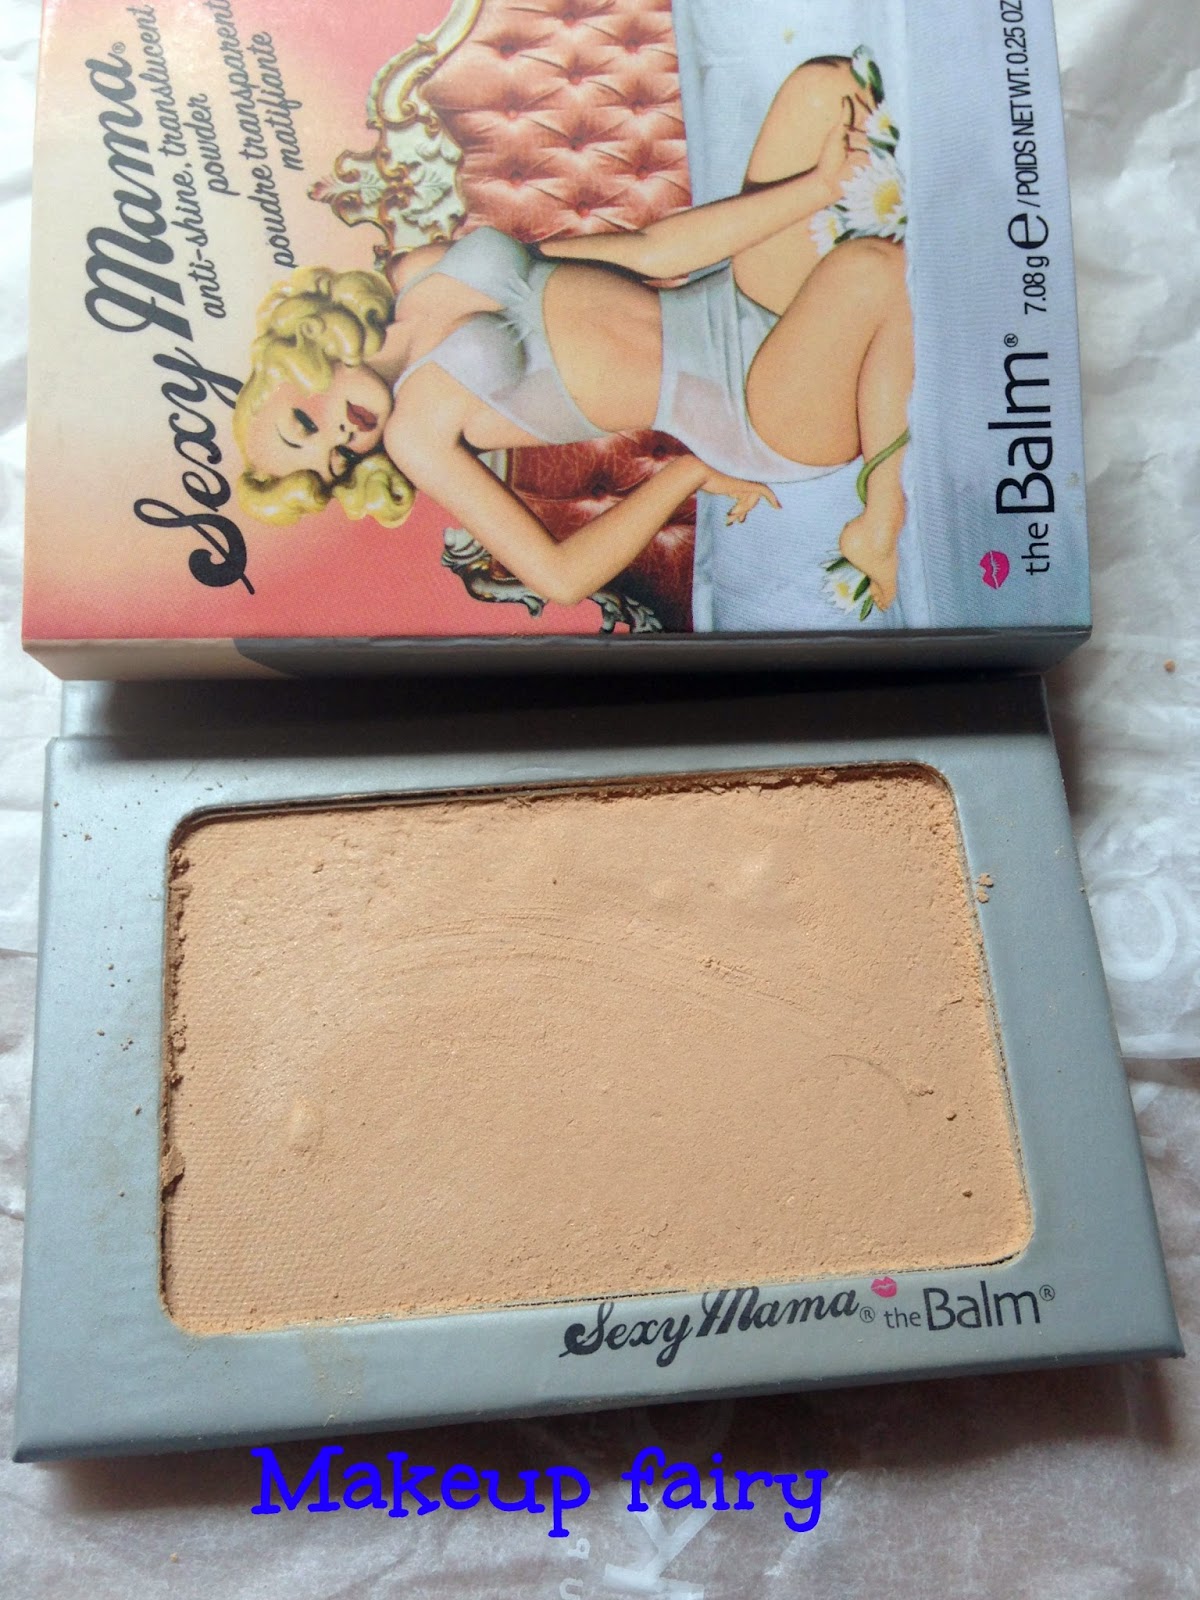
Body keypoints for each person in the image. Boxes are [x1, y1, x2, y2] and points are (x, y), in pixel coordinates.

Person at [234, 57, 913, 611]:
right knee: (869, 272)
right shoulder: (415, 437)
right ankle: (878, 521)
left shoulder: (418, 273)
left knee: (826, 87)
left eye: (305, 424)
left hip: (734, 300)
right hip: (754, 409)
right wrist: (688, 472)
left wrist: (820, 187)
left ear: (300, 359)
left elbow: (651, 252)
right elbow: (560, 580)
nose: (342, 439)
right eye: (334, 462)